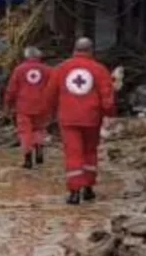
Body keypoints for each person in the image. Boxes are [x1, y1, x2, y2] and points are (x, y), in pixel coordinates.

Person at [44, 37, 116, 205]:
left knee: (73, 153)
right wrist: (109, 114)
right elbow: (107, 96)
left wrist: (51, 113)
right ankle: (89, 188)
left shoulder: (61, 69)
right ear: (91, 51)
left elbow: (49, 94)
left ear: (74, 50)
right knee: (90, 152)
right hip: (91, 118)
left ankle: (74, 192)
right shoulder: (99, 69)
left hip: (68, 118)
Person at [5, 46, 53, 169]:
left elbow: (12, 89)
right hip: (43, 105)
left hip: (23, 106)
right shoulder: (48, 70)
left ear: (26, 56)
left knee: (25, 132)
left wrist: (8, 104)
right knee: (39, 129)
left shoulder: (19, 70)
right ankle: (39, 149)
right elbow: (54, 88)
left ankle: (27, 158)